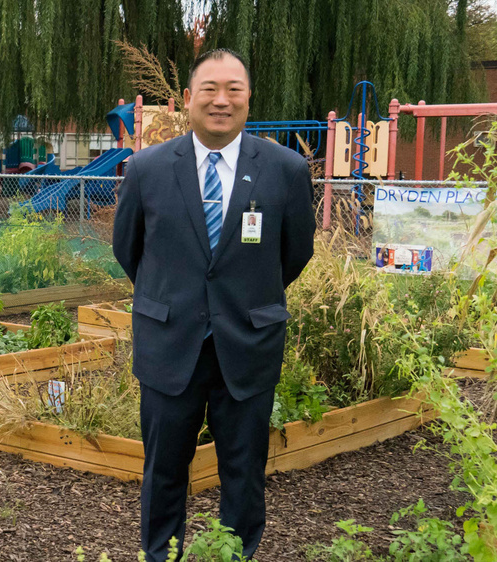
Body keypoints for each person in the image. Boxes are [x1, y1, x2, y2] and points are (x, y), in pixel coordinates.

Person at [112, 48, 315, 561]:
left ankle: (235, 555)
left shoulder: (285, 170)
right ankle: (162, 556)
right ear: (188, 99)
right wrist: (176, 297)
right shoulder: (147, 168)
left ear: (249, 99)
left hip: (248, 345)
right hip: (169, 344)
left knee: (244, 475)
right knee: (162, 473)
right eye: (210, 89)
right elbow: (128, 248)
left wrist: (242, 298)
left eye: (234, 90)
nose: (221, 100)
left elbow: (295, 253)